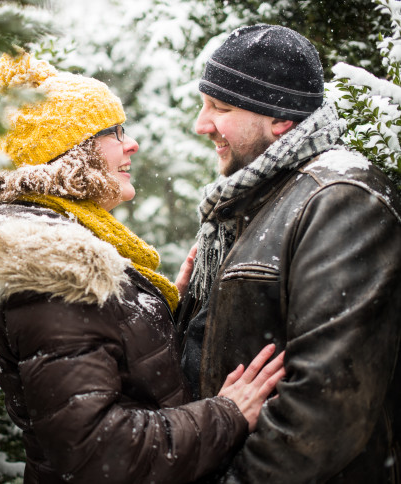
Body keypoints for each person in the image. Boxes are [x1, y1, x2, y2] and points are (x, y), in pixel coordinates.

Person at [0, 51, 285, 483]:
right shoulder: (53, 270)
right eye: (114, 132)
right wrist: (229, 414)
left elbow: (119, 373)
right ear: (74, 152)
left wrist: (158, 307)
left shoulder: (68, 249)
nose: (131, 144)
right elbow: (101, 452)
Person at [178, 24, 401, 483]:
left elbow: (329, 404)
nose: (202, 125)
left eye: (220, 107)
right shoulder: (250, 201)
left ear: (281, 119)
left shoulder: (340, 199)